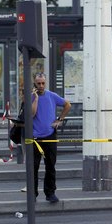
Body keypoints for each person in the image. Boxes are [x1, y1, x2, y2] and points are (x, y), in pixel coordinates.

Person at [28, 73, 71, 203]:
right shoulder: (30, 97)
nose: (41, 86)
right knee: (33, 167)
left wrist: (60, 119)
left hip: (50, 135)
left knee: (50, 166)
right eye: (38, 83)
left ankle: (50, 192)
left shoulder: (52, 95)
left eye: (43, 83)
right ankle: (32, 194)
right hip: (34, 137)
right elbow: (31, 114)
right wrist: (35, 98)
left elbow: (67, 105)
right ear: (34, 83)